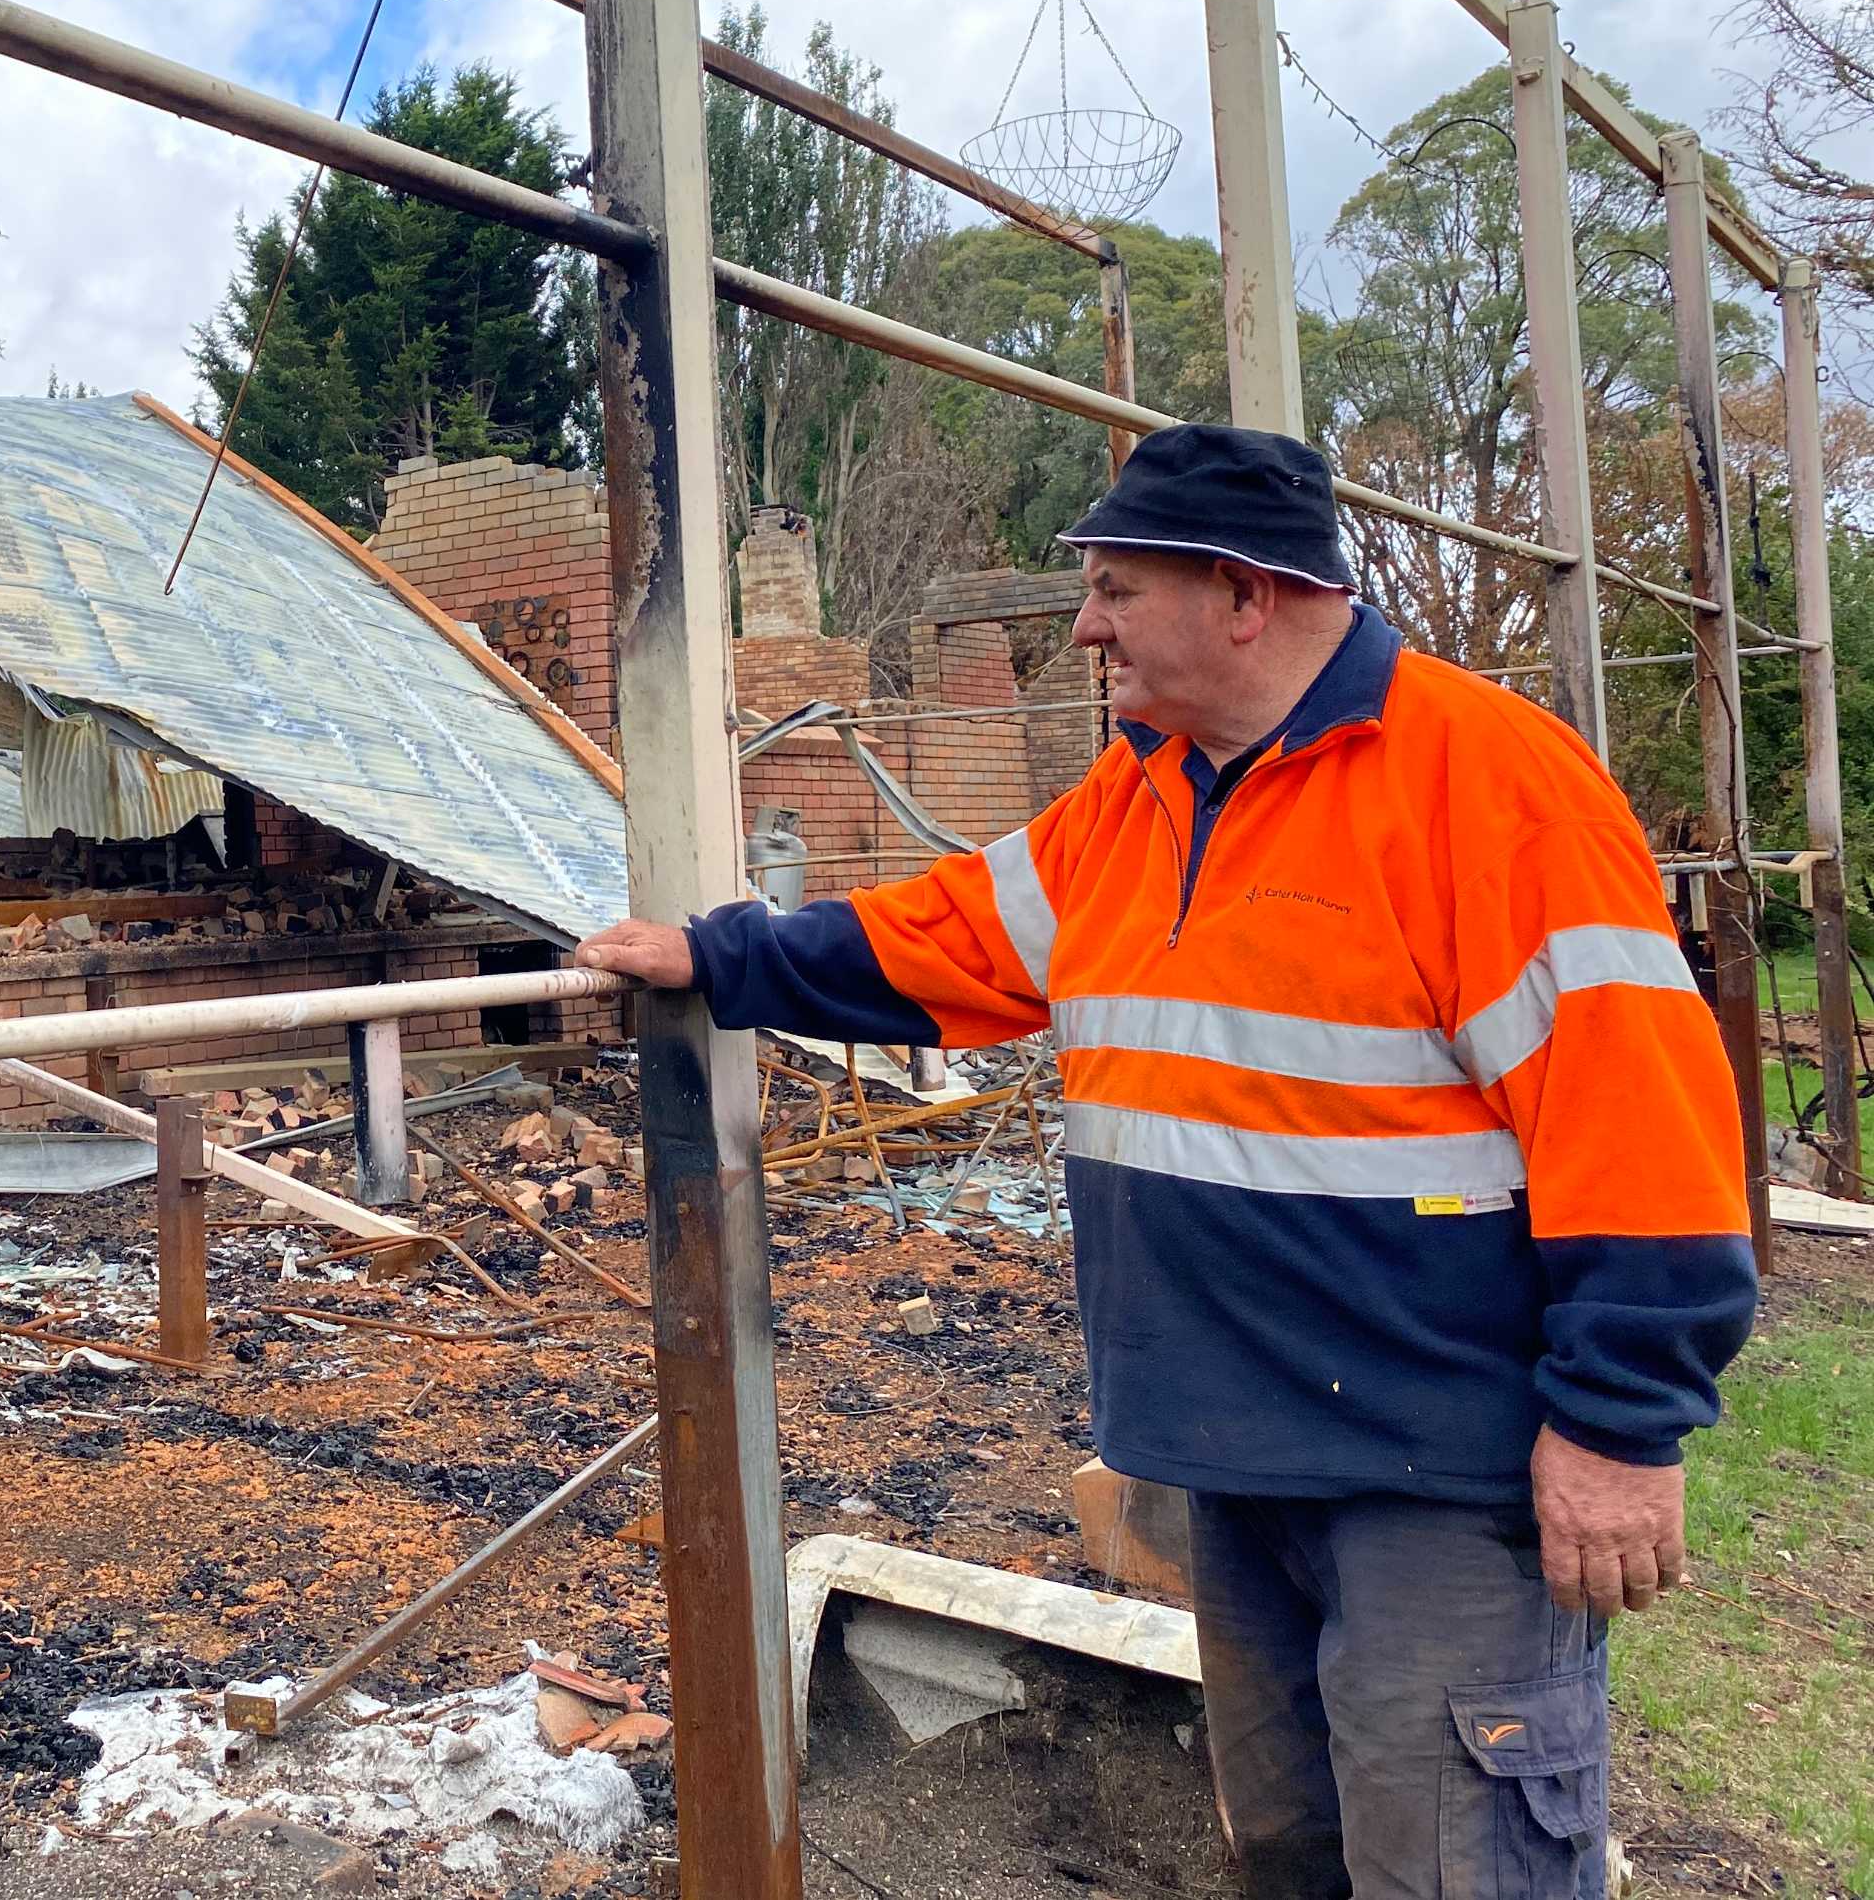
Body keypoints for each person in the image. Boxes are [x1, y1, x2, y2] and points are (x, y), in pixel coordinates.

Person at [577, 423, 1755, 1900]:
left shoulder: (1489, 787)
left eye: (1120, 588)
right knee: (1291, 1857)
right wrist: (714, 952)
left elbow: (1642, 1119)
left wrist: (1622, 1425)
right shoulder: (1135, 802)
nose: (1086, 623)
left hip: (1439, 1487)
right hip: (1231, 1465)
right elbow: (933, 939)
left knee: (1458, 1871)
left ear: (1245, 594)